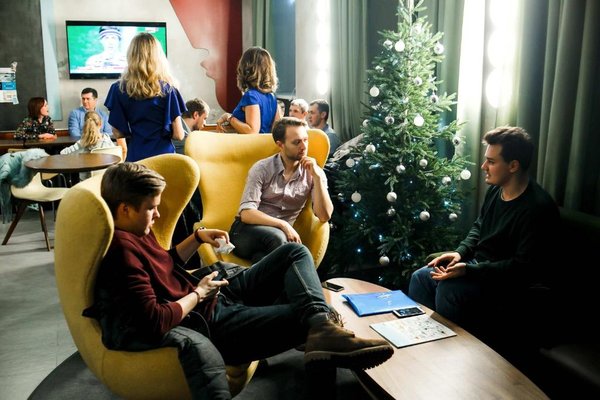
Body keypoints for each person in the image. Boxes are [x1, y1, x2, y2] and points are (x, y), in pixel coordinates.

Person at [86, 162, 393, 400]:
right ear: (124, 209)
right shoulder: (122, 252)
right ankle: (322, 343)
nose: (156, 215)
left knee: (294, 252)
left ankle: (322, 328)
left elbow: (163, 264)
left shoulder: (136, 230)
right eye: (151, 208)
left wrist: (197, 238)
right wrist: (199, 293)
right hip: (213, 321)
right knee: (310, 319)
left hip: (218, 296)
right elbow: (155, 319)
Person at [408, 126, 559, 328]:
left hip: (507, 284)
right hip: (479, 268)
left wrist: (470, 270)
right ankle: (421, 337)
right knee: (421, 278)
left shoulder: (537, 208)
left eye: (491, 161)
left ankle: (452, 346)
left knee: (449, 290)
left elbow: (522, 268)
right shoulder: (496, 191)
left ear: (513, 165)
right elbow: (479, 226)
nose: (483, 166)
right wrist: (460, 253)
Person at [229, 117, 334, 263]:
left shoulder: (314, 172)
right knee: (284, 243)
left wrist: (317, 177)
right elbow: (247, 213)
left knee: (264, 260)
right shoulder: (262, 168)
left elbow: (324, 215)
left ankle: (257, 271)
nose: (304, 146)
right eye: (296, 142)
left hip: (278, 241)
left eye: (305, 140)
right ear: (280, 144)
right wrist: (283, 224)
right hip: (245, 232)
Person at [105, 33, 186, 162]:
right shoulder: (168, 89)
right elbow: (179, 135)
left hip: (136, 158)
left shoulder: (118, 89)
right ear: (158, 57)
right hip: (164, 159)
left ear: (131, 56)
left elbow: (118, 133)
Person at [216, 47, 281, 134]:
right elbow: (276, 129)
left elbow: (252, 130)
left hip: (251, 143)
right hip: (266, 142)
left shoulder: (251, 96)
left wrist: (230, 118)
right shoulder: (271, 97)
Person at [60, 111, 116, 180]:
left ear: (85, 125)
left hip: (87, 182)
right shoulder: (108, 140)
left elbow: (63, 153)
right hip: (108, 180)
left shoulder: (82, 143)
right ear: (100, 124)